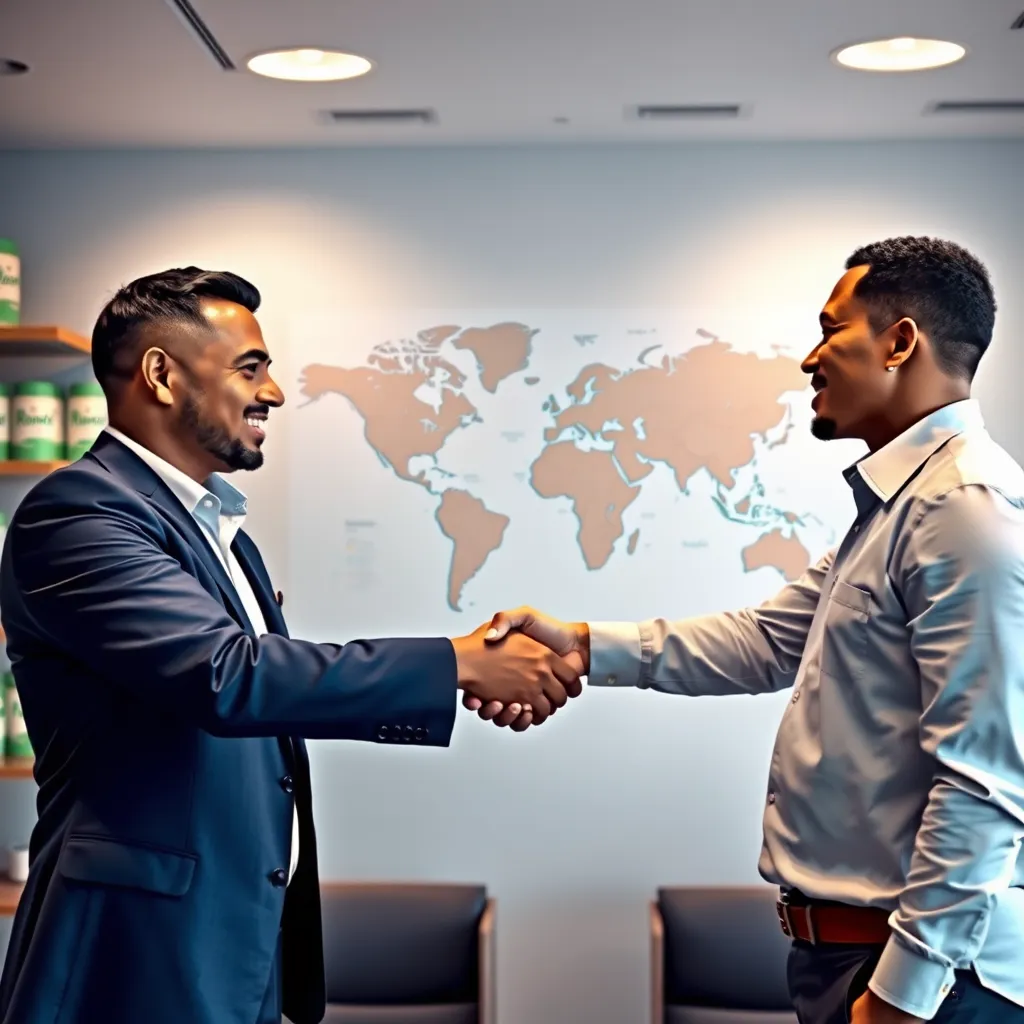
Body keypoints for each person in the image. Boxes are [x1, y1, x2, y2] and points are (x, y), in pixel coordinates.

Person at [0, 267, 582, 1024]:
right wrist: (460, 663)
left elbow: (260, 701)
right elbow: (227, 677)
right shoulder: (77, 514)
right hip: (135, 952)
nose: (274, 391)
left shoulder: (219, 534)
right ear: (160, 375)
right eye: (251, 368)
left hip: (235, 943)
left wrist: (463, 675)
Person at [471, 237, 1024, 1024]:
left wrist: (901, 999)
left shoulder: (961, 508)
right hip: (852, 960)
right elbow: (768, 641)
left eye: (832, 330)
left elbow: (988, 784)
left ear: (901, 342)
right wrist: (581, 646)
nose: (810, 358)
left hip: (928, 983)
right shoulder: (904, 506)